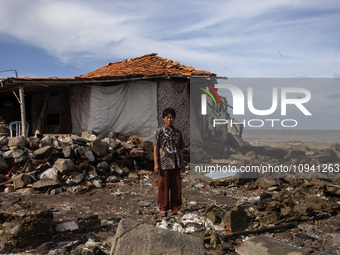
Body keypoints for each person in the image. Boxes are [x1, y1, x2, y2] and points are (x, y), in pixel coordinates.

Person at [153, 107, 185, 217]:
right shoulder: (159, 132)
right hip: (164, 163)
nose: (170, 119)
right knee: (163, 186)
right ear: (163, 118)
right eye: (168, 117)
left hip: (175, 162)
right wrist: (156, 163)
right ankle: (163, 207)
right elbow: (156, 147)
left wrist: (182, 162)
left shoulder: (177, 133)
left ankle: (176, 207)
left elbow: (180, 148)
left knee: (176, 186)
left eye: (171, 117)